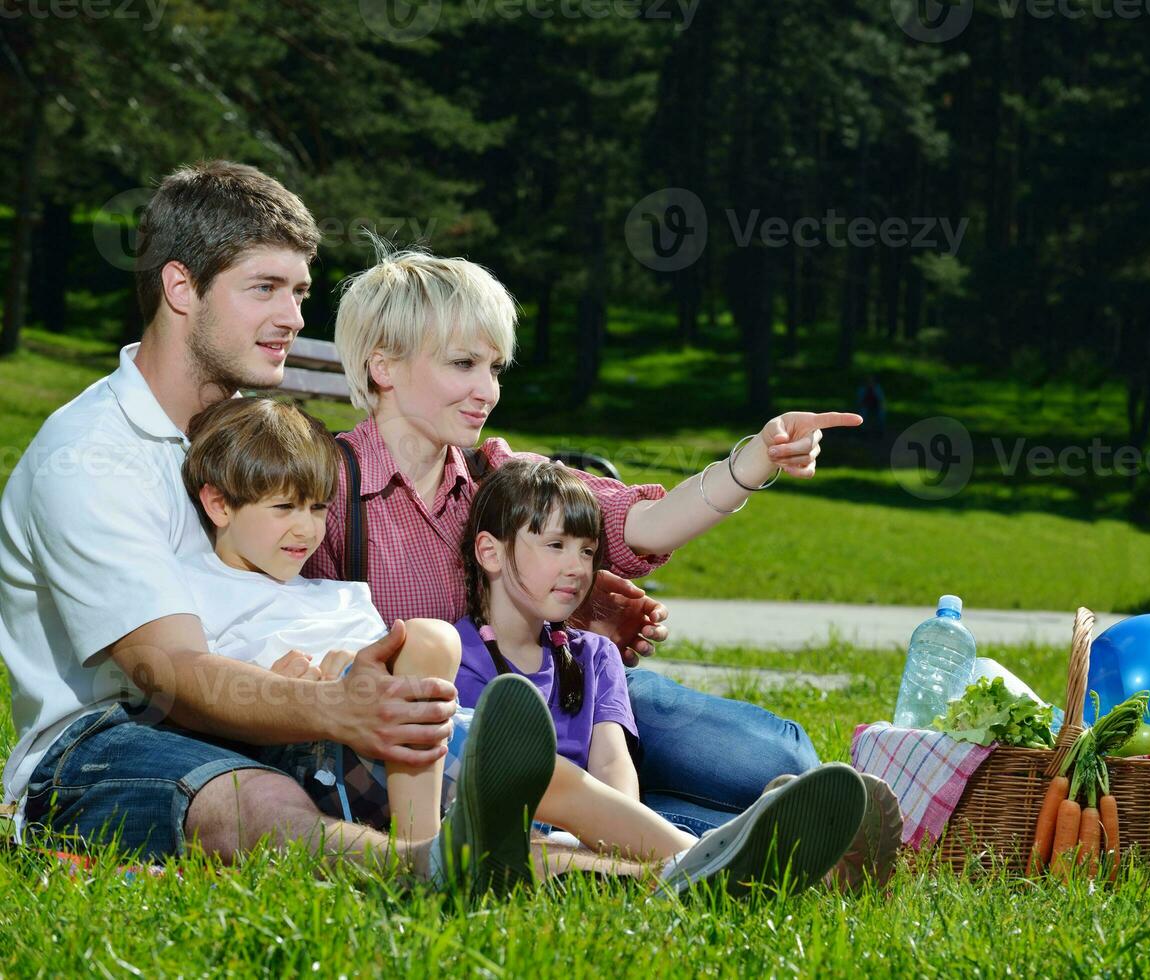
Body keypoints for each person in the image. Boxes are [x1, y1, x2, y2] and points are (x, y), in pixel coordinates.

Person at [0, 160, 548, 900]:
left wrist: (528, 592)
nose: (294, 317)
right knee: (255, 801)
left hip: (255, 704)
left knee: (485, 766)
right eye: (265, 288)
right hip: (100, 741)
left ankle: (667, 865)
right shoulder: (91, 456)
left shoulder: (249, 443)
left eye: (299, 292)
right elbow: (168, 673)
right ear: (180, 288)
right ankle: (425, 869)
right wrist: (334, 708)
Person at [175, 394, 871, 897]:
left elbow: (634, 522)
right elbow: (203, 689)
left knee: (547, 798)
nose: (306, 529)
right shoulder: (206, 596)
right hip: (353, 755)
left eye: (316, 510)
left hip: (432, 732)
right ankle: (423, 858)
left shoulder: (337, 592)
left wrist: (748, 462)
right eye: (284, 510)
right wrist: (304, 683)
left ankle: (689, 865)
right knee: (437, 656)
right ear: (218, 505)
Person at [308, 244, 864, 836]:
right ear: (383, 366)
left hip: (564, 684)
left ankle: (737, 829)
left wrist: (754, 460)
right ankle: (745, 839)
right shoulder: (327, 487)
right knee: (717, 805)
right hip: (455, 745)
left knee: (783, 759)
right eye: (463, 364)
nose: (487, 391)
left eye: (494, 369)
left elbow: (638, 523)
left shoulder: (498, 472)